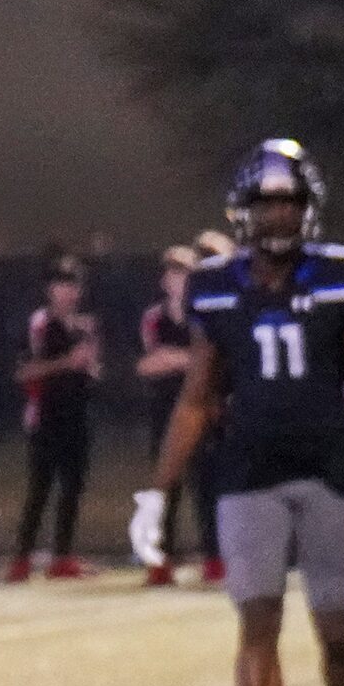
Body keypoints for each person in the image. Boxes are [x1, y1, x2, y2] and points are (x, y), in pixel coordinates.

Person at [132, 141, 344, 686]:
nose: (278, 215)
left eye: (289, 202)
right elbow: (196, 395)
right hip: (247, 470)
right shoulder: (215, 285)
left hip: (332, 468)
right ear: (243, 211)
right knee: (257, 624)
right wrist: (158, 491)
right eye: (266, 203)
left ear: (308, 207)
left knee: (336, 628)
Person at [10, 266, 102, 581]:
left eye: (72, 287)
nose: (67, 293)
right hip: (46, 416)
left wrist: (90, 367)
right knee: (40, 487)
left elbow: (92, 368)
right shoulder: (39, 325)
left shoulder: (84, 325)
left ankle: (62, 557)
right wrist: (66, 362)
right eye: (61, 286)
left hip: (78, 415)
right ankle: (21, 559)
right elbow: (24, 372)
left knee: (72, 488)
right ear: (50, 290)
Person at [134, 244, 212, 587]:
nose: (176, 279)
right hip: (165, 411)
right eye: (172, 273)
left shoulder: (207, 315)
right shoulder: (154, 318)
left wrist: (176, 358)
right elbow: (146, 364)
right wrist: (188, 359)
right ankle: (159, 560)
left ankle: (215, 558)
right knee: (165, 488)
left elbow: (211, 361)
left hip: (203, 408)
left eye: (183, 272)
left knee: (208, 484)